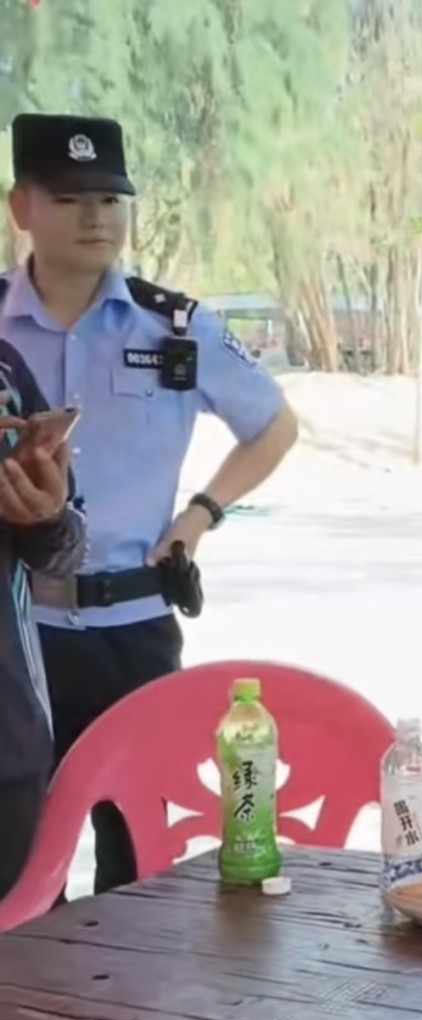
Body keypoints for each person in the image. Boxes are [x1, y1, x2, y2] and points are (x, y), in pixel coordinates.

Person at [2, 113, 298, 895]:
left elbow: (274, 426)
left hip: (132, 637)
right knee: (21, 867)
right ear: (20, 207)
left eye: (111, 197)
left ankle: (131, 1019)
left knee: (140, 864)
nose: (97, 216)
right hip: (15, 643)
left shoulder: (176, 328)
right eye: (70, 198)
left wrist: (200, 515)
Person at [0, 344, 86, 899]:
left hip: (8, 751)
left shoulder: (5, 367)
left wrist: (47, 517)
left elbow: (64, 555)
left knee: (25, 971)